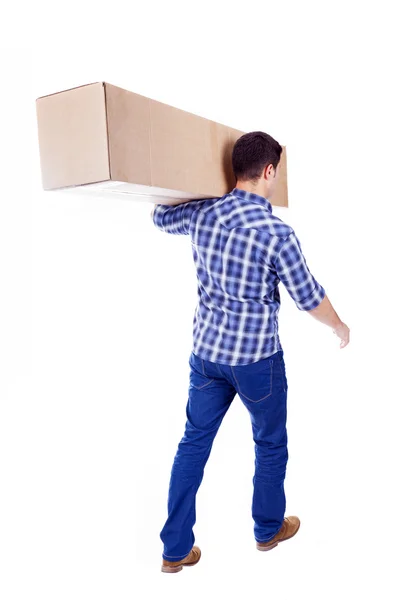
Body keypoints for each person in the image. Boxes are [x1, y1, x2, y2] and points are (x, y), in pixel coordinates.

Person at [151, 131, 350, 574]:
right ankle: (267, 530)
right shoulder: (275, 233)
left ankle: (175, 549)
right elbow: (307, 297)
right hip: (257, 363)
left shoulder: (203, 215)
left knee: (193, 445)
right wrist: (339, 325)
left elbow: (160, 220)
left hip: (206, 356)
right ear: (268, 171)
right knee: (270, 442)